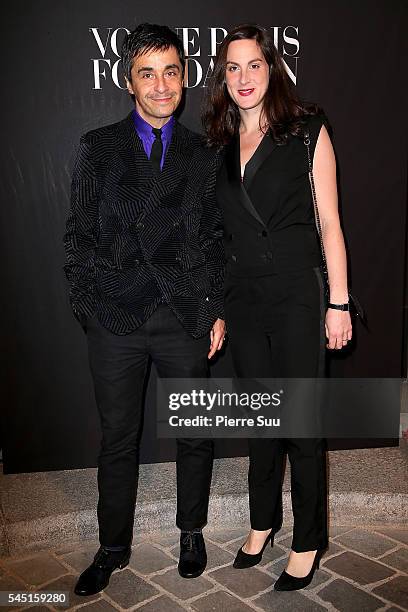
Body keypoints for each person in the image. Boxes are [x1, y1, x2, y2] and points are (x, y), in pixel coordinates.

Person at [63, 22, 225, 596]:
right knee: (118, 438)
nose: (161, 86)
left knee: (194, 433)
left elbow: (209, 240)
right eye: (147, 74)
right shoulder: (98, 147)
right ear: (128, 81)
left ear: (185, 77)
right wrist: (92, 307)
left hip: (182, 316)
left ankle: (191, 531)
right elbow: (78, 238)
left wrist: (213, 308)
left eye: (171, 72)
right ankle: (112, 547)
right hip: (117, 320)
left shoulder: (201, 154)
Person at [203, 24, 352, 591]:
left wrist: (338, 302)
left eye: (254, 66)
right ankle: (262, 521)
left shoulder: (306, 129)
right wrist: (216, 307)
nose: (243, 78)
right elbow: (216, 240)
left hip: (296, 292)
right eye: (232, 68)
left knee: (299, 423)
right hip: (243, 299)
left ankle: (309, 537)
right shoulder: (216, 143)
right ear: (224, 77)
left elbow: (331, 224)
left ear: (272, 69)